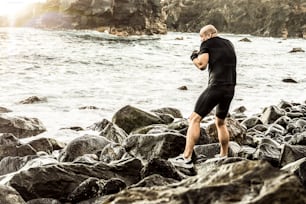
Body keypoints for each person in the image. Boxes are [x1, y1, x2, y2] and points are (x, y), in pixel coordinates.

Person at [169, 24, 237, 168]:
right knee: (220, 122)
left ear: (209, 35)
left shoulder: (207, 43)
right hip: (230, 88)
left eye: (202, 36)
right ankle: (223, 155)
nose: (201, 40)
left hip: (216, 87)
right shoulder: (229, 43)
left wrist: (194, 56)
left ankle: (186, 158)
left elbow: (201, 65)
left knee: (194, 118)